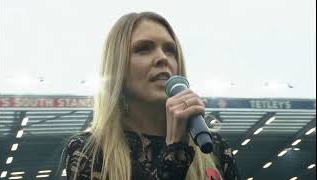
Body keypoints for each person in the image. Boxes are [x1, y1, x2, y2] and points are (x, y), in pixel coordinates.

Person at [64, 11, 240, 180]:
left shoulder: (213, 147)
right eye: (143, 49)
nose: (162, 58)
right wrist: (175, 152)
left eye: (170, 50)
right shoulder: (89, 150)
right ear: (118, 69)